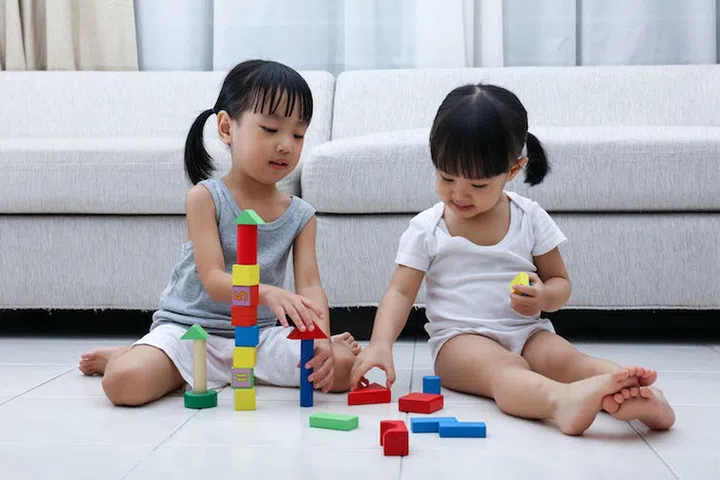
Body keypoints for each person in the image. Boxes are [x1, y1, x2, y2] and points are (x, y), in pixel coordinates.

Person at [349, 83, 675, 435]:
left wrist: (545, 297)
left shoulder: (529, 217)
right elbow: (400, 292)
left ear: (513, 170)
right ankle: (560, 402)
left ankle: (641, 395)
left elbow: (560, 283)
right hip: (460, 341)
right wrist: (380, 345)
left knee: (569, 359)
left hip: (528, 331)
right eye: (446, 177)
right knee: (503, 370)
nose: (458, 193)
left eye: (478, 185)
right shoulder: (428, 228)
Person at [80, 59, 360, 406]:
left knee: (346, 367)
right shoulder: (205, 198)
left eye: (298, 134)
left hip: (257, 337)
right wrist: (269, 294)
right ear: (227, 128)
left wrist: (318, 339)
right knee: (122, 384)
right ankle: (138, 354)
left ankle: (173, 364)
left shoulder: (301, 215)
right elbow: (213, 278)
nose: (286, 144)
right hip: (191, 331)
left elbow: (310, 286)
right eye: (271, 129)